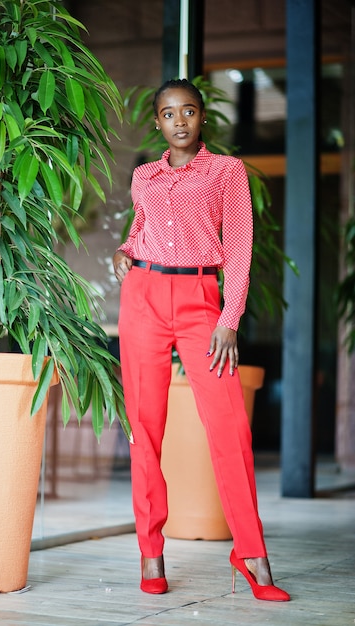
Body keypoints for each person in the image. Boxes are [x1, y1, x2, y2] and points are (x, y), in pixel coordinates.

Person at [112, 78, 290, 602]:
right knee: (144, 429)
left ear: (202, 117)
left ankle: (252, 554)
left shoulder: (226, 172)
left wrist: (229, 318)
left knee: (230, 427)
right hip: (142, 295)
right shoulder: (144, 176)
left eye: (189, 111)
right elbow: (142, 228)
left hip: (199, 301)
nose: (180, 121)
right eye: (169, 114)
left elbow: (238, 249)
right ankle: (151, 551)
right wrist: (125, 252)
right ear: (159, 122)